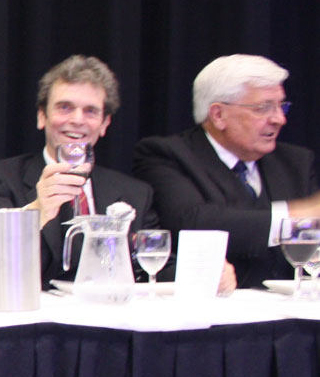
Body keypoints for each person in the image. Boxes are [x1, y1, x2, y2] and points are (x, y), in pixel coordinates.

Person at [0, 55, 167, 288]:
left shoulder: (135, 192)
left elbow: (157, 263)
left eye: (90, 111)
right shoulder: (2, 178)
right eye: (65, 107)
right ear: (41, 116)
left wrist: (212, 271)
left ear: (105, 124)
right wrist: (37, 211)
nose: (77, 120)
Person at [134, 54, 319, 288]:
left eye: (281, 106)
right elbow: (194, 224)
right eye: (263, 108)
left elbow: (315, 246)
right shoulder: (166, 155)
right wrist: (293, 216)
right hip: (212, 312)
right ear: (219, 115)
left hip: (289, 313)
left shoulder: (295, 162)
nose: (279, 119)